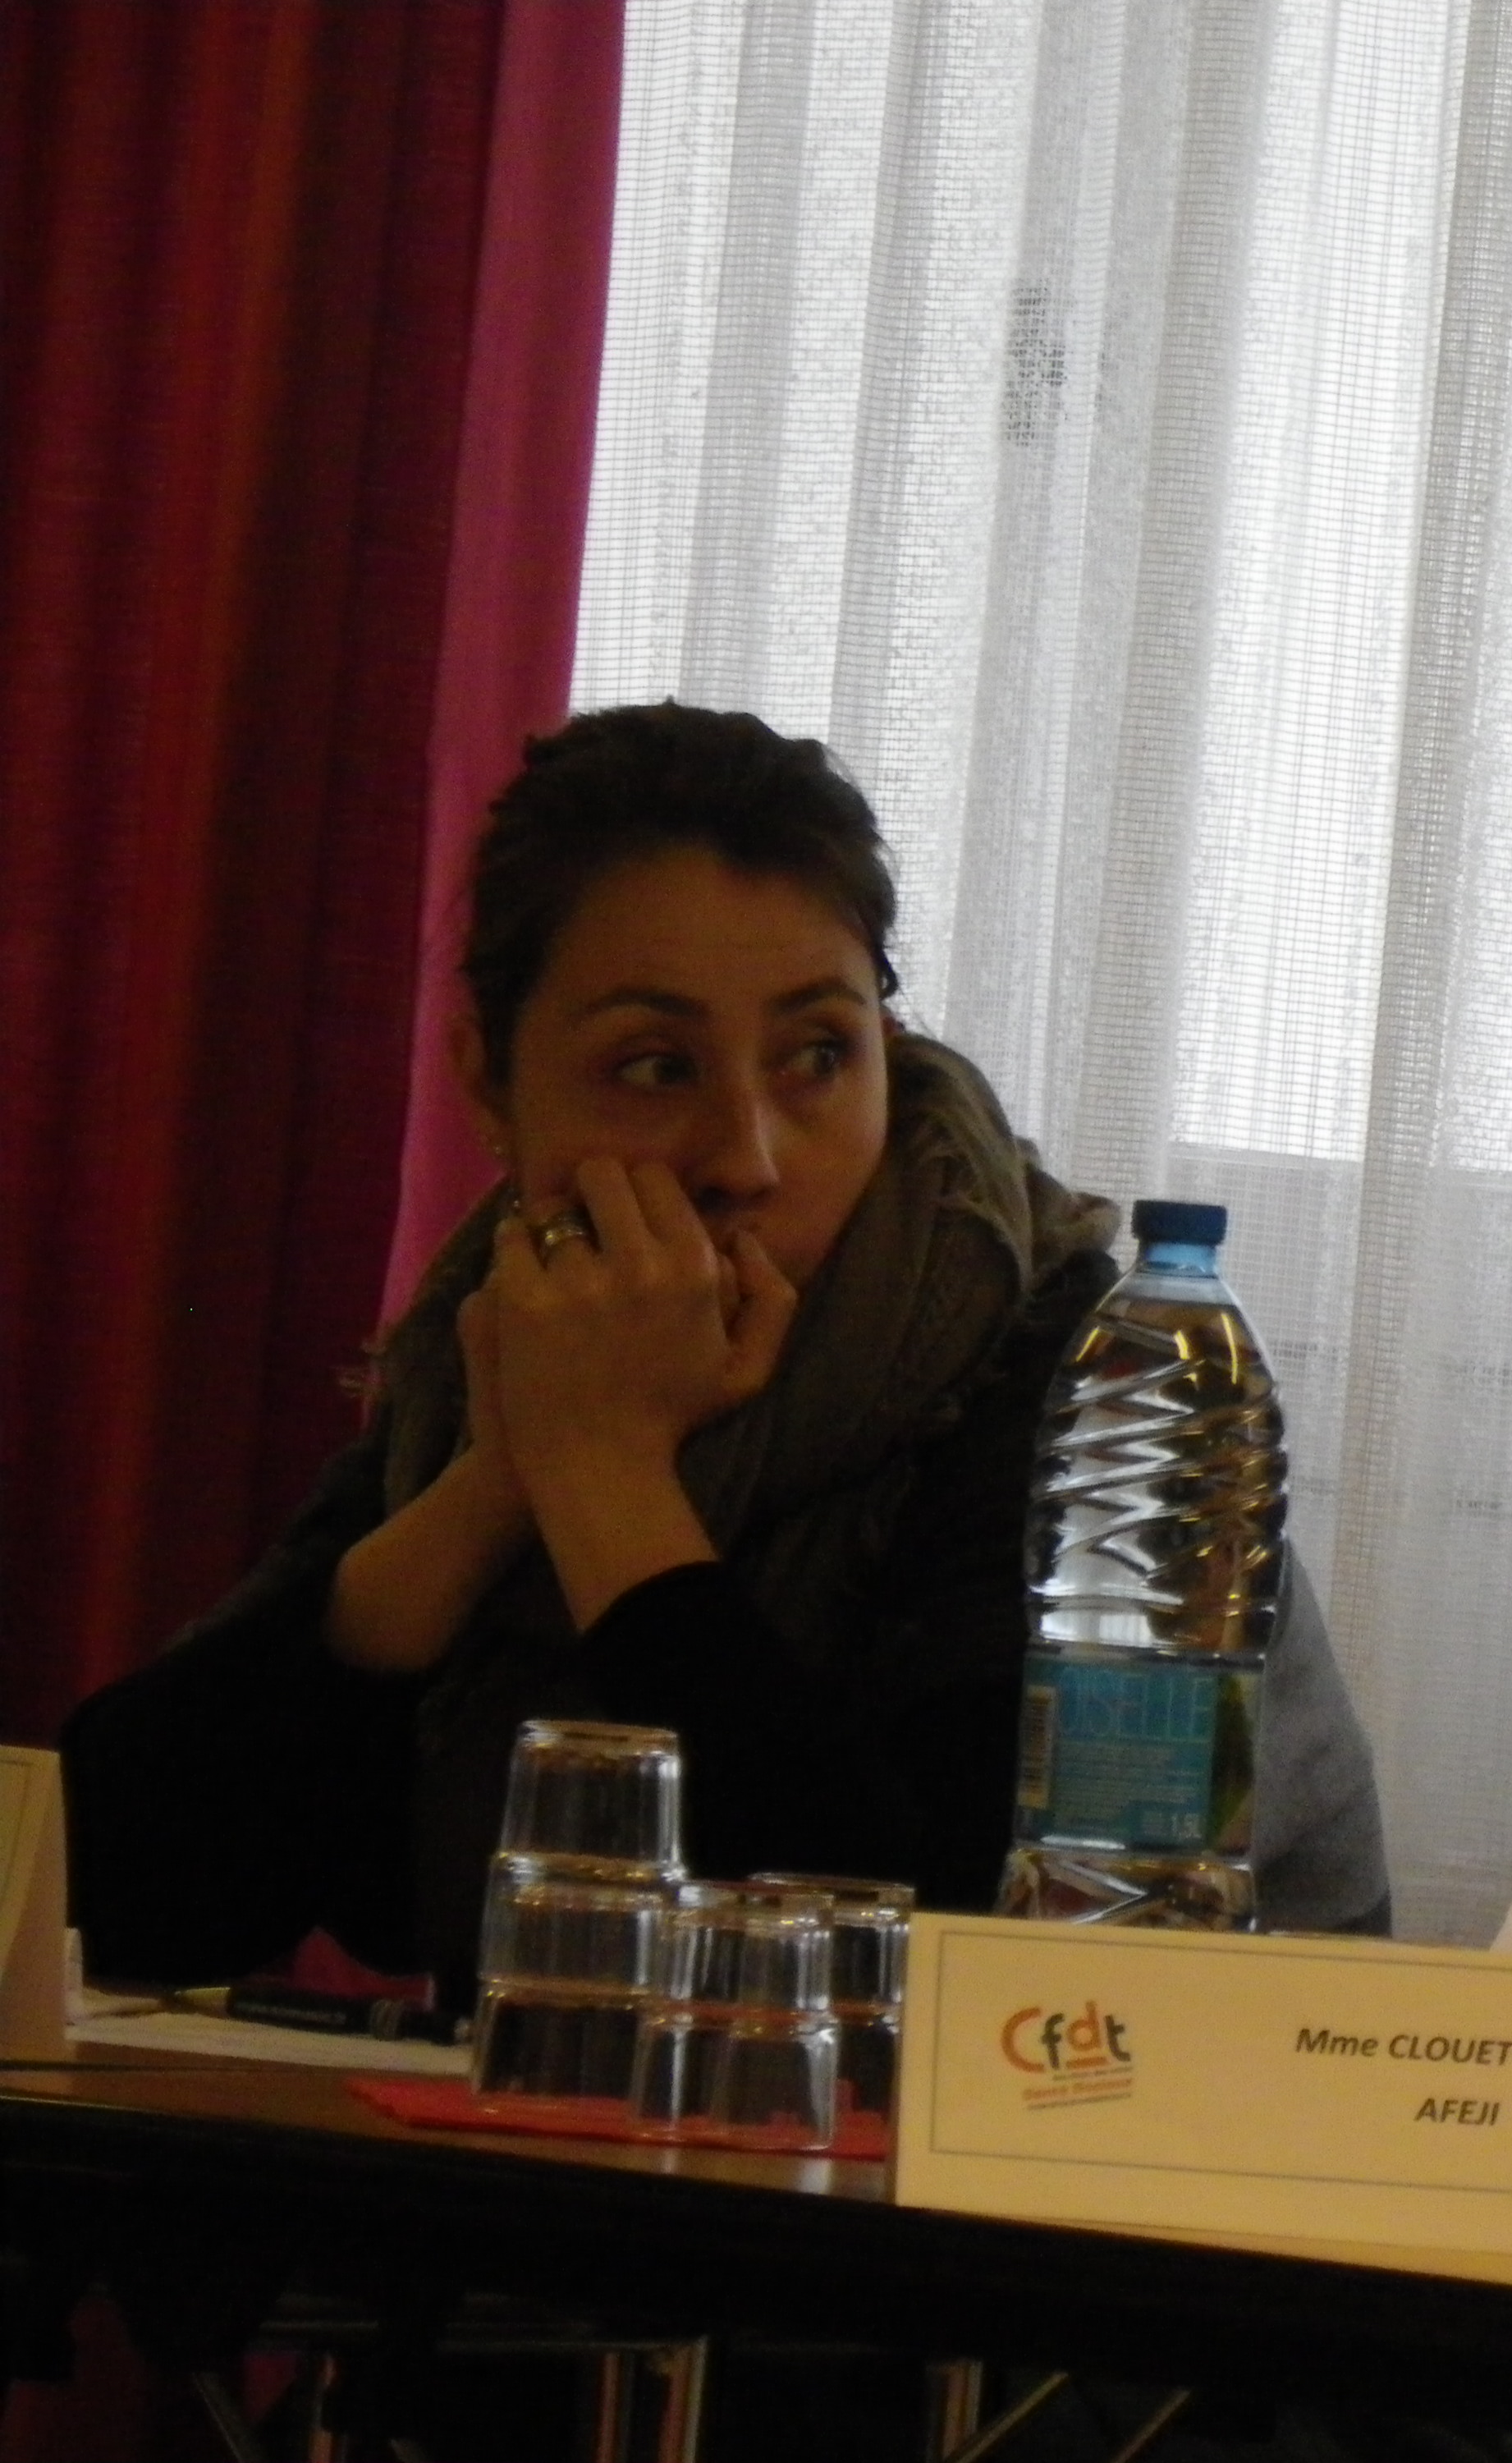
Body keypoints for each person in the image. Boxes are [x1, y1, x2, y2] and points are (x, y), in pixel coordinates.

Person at [63, 703, 1388, 1994]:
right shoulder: (517, 1339)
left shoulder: (1073, 1375)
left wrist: (609, 1487)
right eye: (655, 1068)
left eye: (816, 1055)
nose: (746, 1157)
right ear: (489, 1083)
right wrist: (497, 1486)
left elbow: (941, 1967)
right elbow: (118, 1902)